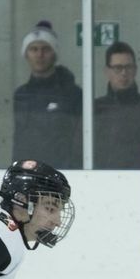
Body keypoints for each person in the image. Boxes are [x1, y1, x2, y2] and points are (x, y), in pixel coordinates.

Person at [12, 21, 83, 168]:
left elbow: (78, 141)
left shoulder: (72, 93)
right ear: (26, 54)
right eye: (34, 49)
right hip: (29, 174)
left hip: (63, 174)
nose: (39, 54)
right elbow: (19, 141)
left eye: (46, 49)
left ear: (54, 53)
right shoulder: (21, 95)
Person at [93, 41, 140, 168]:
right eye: (118, 68)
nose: (124, 73)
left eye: (128, 67)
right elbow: (78, 154)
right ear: (107, 71)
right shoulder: (94, 110)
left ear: (135, 70)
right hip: (100, 183)